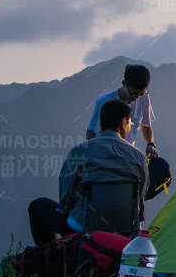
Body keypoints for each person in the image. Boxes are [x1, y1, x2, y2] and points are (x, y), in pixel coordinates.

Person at [28, 98, 148, 245]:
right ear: (124, 122)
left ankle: (53, 255)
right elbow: (140, 197)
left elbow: (65, 196)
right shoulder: (139, 157)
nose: (130, 127)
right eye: (130, 123)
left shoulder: (80, 151)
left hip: (85, 230)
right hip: (126, 233)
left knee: (37, 206)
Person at [85, 62, 157, 161]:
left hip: (128, 158)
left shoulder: (144, 98)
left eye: (140, 94)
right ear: (123, 83)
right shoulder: (104, 102)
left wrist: (150, 144)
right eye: (133, 93)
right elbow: (90, 134)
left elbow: (146, 126)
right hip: (105, 158)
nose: (136, 98)